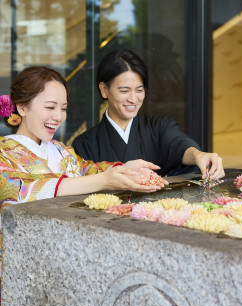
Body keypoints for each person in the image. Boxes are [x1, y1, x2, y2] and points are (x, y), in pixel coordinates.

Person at [0, 66, 168, 213]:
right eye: (50, 107)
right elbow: (20, 188)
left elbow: (89, 170)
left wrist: (126, 170)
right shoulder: (3, 154)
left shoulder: (60, 150)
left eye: (63, 108)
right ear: (22, 107)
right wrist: (104, 181)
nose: (59, 117)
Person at [72, 49, 225, 180]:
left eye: (139, 90)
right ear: (104, 89)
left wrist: (198, 155)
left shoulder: (159, 127)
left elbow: (179, 145)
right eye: (124, 91)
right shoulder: (84, 144)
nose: (133, 99)